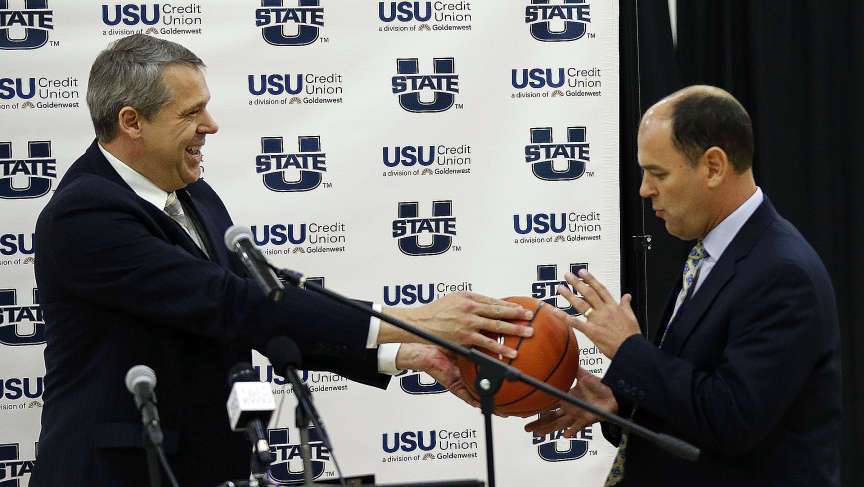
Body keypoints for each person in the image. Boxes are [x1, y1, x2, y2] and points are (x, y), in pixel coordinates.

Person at [31, 34, 533, 486]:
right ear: (131, 122)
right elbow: (231, 303)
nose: (211, 125)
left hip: (200, 468)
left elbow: (261, 315)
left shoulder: (194, 192)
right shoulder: (84, 214)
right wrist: (410, 322)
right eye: (191, 112)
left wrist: (406, 354)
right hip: (114, 474)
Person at [526, 85, 841, 485]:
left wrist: (629, 350)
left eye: (657, 173)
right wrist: (621, 404)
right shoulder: (710, 252)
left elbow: (732, 420)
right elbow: (695, 391)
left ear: (713, 167)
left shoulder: (783, 274)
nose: (644, 189)